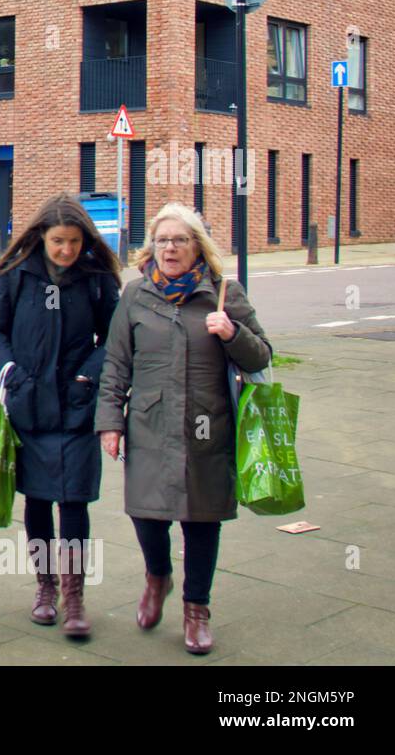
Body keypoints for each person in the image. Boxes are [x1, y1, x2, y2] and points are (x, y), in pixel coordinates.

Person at [95, 203, 271, 654]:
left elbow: (262, 356)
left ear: (199, 248)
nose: (170, 248)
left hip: (206, 425)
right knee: (145, 511)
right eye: (162, 240)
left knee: (202, 519)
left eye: (180, 240)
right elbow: (116, 362)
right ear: (151, 246)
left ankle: (197, 610)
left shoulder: (223, 294)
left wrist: (232, 333)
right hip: (149, 423)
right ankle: (158, 576)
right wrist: (110, 422)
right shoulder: (135, 295)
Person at [0, 194, 122, 637]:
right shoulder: (15, 275)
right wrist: (11, 374)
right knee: (38, 501)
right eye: (59, 241)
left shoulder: (97, 278)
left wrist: (88, 376)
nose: (67, 250)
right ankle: (45, 587)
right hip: (30, 404)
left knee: (75, 502)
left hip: (78, 407)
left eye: (75, 242)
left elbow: (114, 338)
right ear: (41, 236)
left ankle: (75, 595)